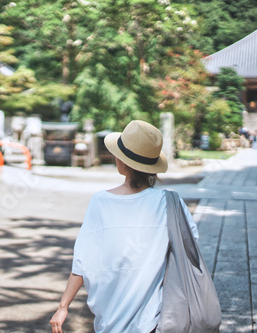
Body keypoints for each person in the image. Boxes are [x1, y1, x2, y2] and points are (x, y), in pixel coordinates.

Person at [50, 120, 199, 333]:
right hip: (155, 319)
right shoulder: (170, 203)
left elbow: (82, 261)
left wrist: (63, 306)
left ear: (123, 162)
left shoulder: (100, 202)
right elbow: (190, 248)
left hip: (109, 317)